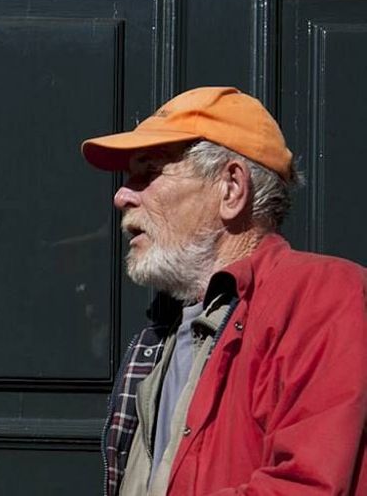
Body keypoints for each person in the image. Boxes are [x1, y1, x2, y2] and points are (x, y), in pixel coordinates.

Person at [82, 86, 367, 495]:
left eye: (150, 170)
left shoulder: (324, 296)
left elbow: (308, 485)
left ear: (231, 188)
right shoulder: (163, 333)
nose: (123, 195)